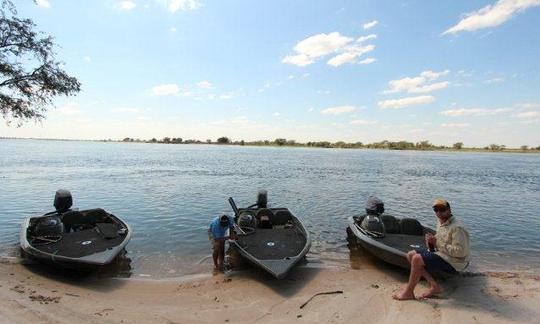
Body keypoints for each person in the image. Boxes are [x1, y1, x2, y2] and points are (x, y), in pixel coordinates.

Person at [392, 198, 470, 300]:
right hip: (443, 253)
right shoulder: (441, 221)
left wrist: (437, 243)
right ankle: (434, 286)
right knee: (410, 255)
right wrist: (431, 243)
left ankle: (408, 293)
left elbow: (460, 252)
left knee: (416, 259)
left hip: (456, 261)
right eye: (436, 210)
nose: (439, 213)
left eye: (442, 209)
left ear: (449, 210)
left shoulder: (457, 228)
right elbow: (441, 240)